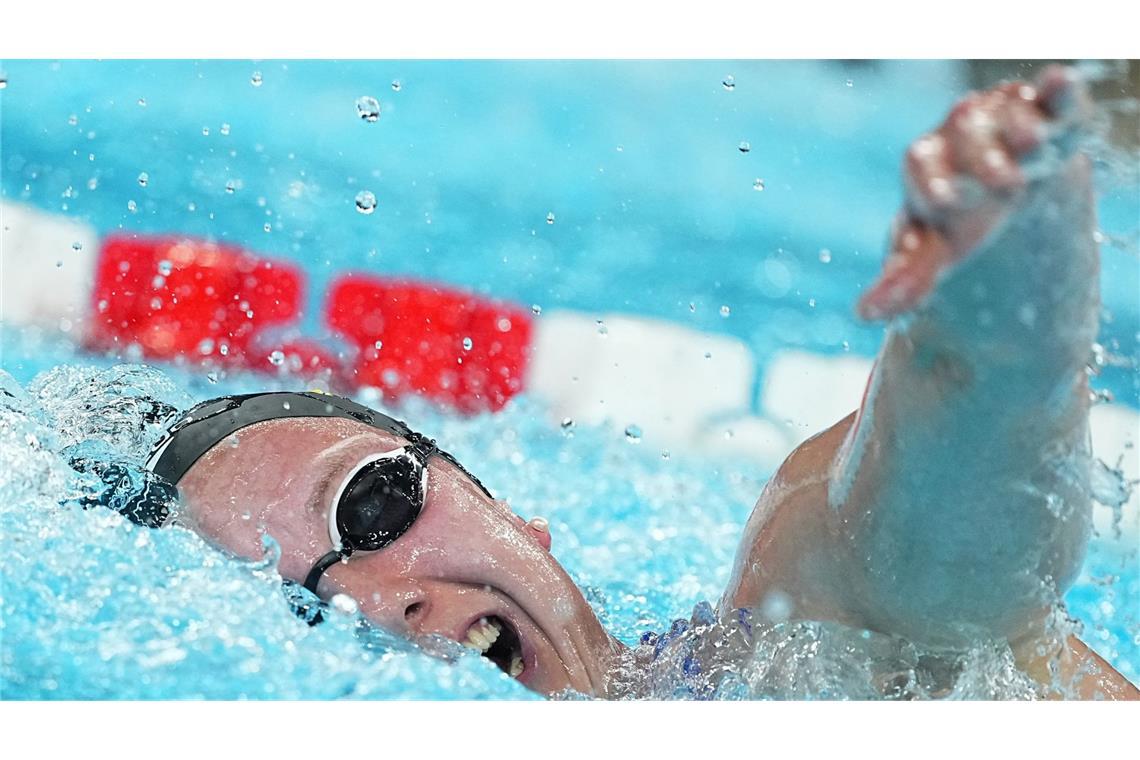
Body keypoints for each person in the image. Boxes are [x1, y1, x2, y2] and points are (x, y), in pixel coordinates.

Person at [72, 66, 1140, 699]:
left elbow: (971, 430)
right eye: (293, 614)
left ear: (516, 517)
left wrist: (996, 260)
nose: (370, 602)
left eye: (373, 501)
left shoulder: (812, 630)